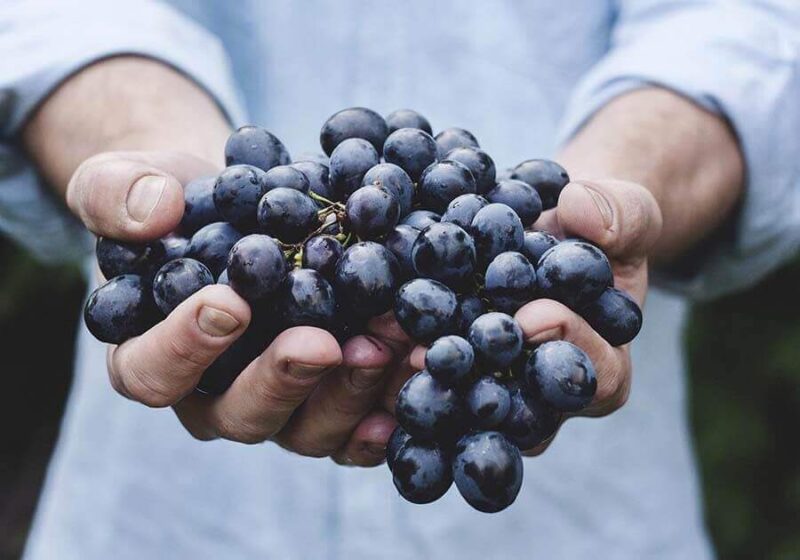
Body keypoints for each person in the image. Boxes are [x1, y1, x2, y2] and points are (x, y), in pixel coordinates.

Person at [2, 1, 798, 558]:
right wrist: (145, 155)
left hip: (583, 522)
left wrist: (617, 187)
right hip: (167, 522)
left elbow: (745, 25)